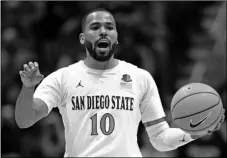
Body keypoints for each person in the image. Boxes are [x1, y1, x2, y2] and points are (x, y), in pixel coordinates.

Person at [15, 8, 225, 157]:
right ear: (82, 38)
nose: (103, 31)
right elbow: (25, 120)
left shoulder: (140, 77)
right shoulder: (63, 77)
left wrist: (195, 132)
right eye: (95, 27)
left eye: (109, 27)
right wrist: (27, 88)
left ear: (116, 37)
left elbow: (160, 139)